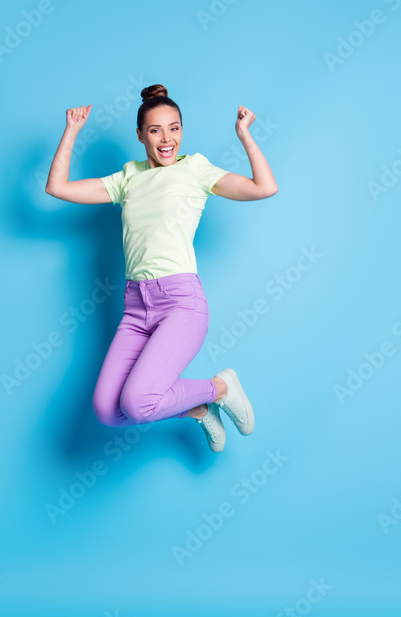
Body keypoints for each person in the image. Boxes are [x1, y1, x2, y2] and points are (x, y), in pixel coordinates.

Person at [45, 84, 277, 452]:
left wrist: (244, 135)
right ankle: (199, 408)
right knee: (108, 410)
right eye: (155, 130)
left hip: (180, 303)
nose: (167, 139)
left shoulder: (195, 170)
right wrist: (71, 130)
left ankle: (222, 387)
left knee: (137, 401)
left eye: (174, 128)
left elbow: (264, 187)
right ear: (140, 135)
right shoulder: (127, 178)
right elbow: (57, 187)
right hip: (136, 308)